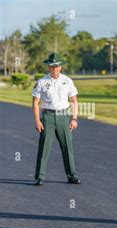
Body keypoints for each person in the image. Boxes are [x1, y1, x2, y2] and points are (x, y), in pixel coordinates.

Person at [32, 52, 80, 186]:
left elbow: (74, 101)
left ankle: (72, 176)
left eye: (57, 66)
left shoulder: (67, 81)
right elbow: (35, 102)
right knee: (44, 147)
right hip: (47, 116)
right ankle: (39, 176)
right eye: (52, 66)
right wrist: (37, 120)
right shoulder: (42, 81)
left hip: (63, 116)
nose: (55, 68)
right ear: (48, 67)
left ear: (61, 67)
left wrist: (74, 118)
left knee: (67, 147)